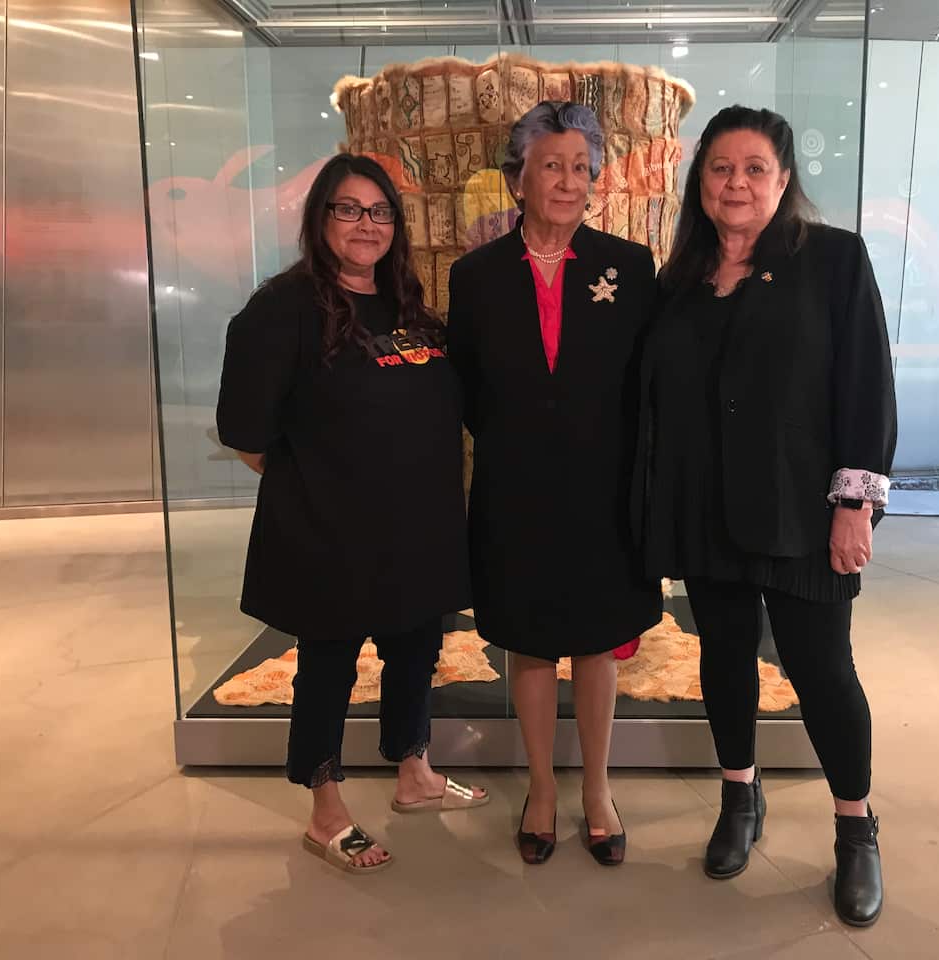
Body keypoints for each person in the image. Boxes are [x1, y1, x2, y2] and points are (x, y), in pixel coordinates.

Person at [635, 106, 896, 924]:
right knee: (723, 659)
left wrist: (855, 505)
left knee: (821, 671)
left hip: (802, 510)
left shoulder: (833, 260)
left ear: (784, 180)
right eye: (720, 168)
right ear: (700, 182)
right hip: (706, 509)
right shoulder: (679, 278)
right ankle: (739, 798)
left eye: (754, 168)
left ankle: (855, 828)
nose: (736, 183)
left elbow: (866, 388)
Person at [217, 153, 488, 877]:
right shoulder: (283, 309)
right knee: (329, 666)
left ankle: (414, 772)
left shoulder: (406, 306)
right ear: (320, 218)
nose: (367, 225)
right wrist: (323, 481)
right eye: (349, 209)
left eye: (380, 212)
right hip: (330, 533)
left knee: (415, 650)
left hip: (418, 529)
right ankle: (326, 809)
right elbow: (245, 433)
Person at [447, 101, 661, 867]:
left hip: (605, 490)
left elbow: (645, 385)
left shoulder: (628, 267)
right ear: (518, 179)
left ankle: (597, 789)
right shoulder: (474, 276)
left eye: (581, 167)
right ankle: (541, 789)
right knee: (530, 641)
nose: (569, 181)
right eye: (551, 166)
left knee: (599, 641)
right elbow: (465, 389)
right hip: (515, 489)